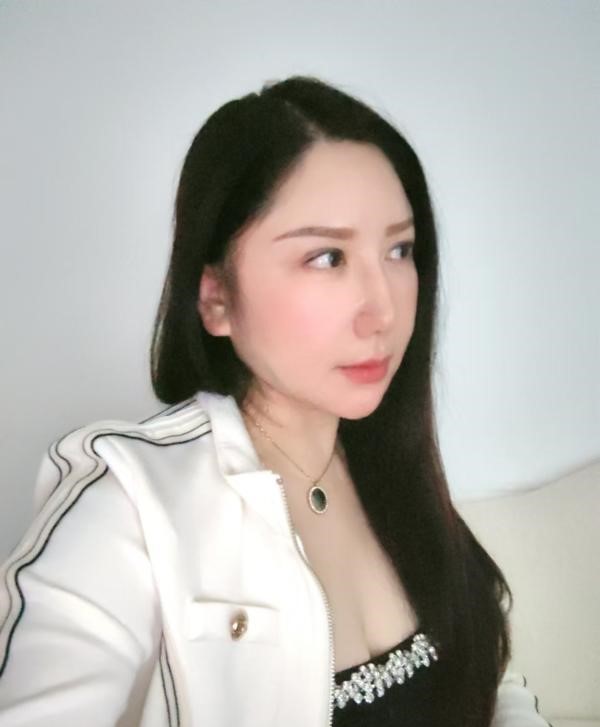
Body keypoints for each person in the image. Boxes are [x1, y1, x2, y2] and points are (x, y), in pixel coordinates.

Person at [0, 75, 549, 727]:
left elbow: (487, 679)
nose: (383, 310)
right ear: (215, 297)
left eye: (399, 249)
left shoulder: (389, 465)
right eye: (327, 257)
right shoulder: (130, 500)